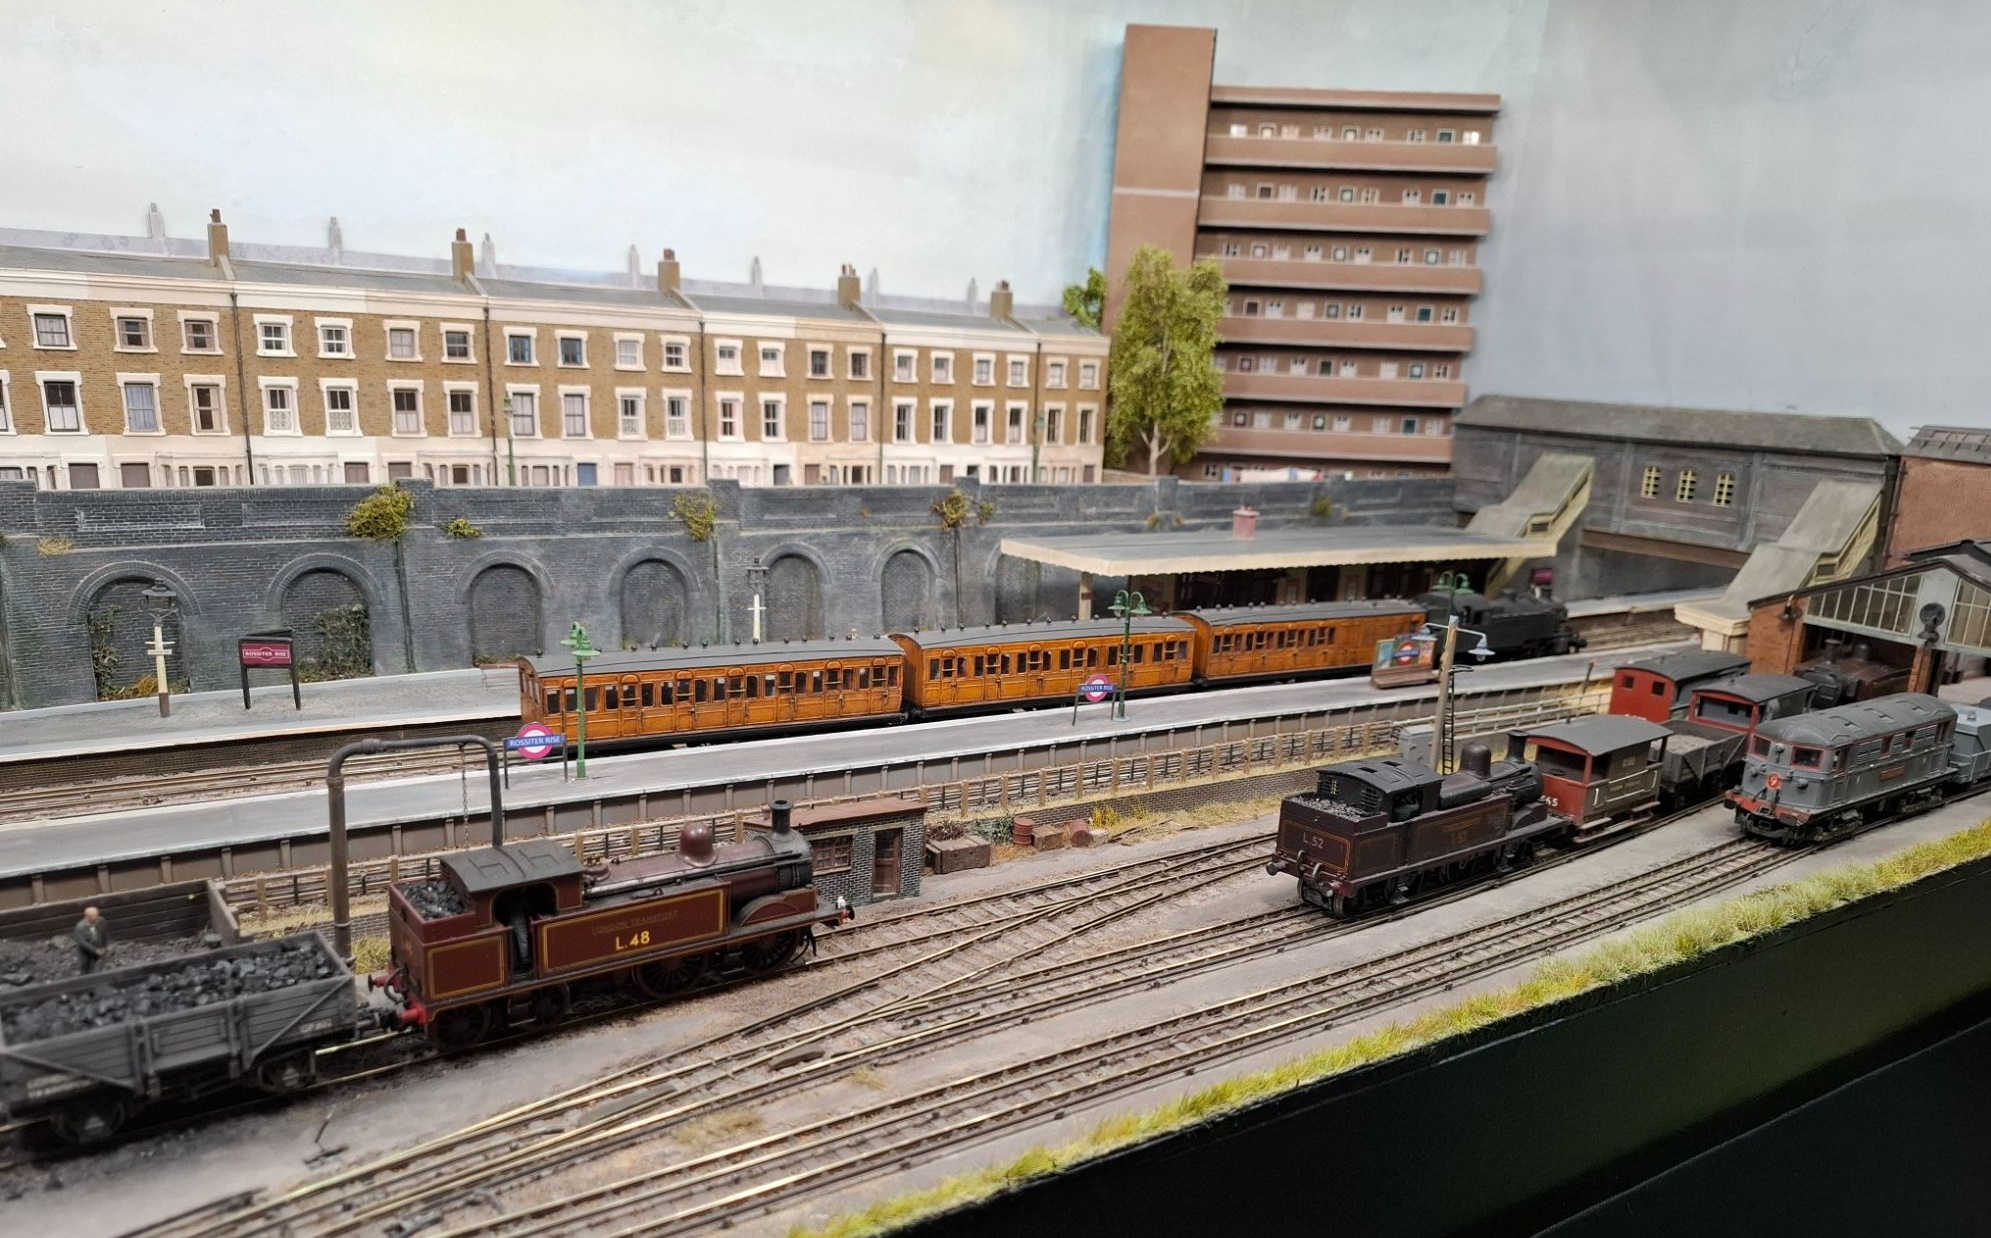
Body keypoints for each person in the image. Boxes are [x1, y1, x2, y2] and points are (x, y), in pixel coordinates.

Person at [74, 906, 109, 974]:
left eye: (96, 916)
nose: (95, 918)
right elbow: (82, 942)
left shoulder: (102, 921)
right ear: (86, 916)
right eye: (92, 916)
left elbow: (104, 934)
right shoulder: (80, 927)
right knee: (85, 967)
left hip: (98, 945)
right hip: (86, 951)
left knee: (100, 965)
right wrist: (95, 950)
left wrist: (104, 946)